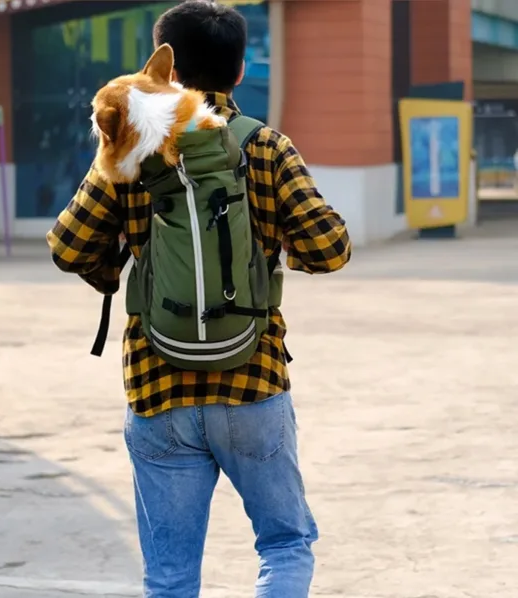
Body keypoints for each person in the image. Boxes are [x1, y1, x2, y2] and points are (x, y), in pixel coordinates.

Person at [47, 2, 351, 596]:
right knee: (285, 545)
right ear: (239, 72)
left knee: (169, 577)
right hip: (252, 381)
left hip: (158, 387)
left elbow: (68, 246)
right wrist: (271, 253)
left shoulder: (130, 147)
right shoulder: (265, 147)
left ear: (167, 70)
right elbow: (330, 248)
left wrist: (121, 267)